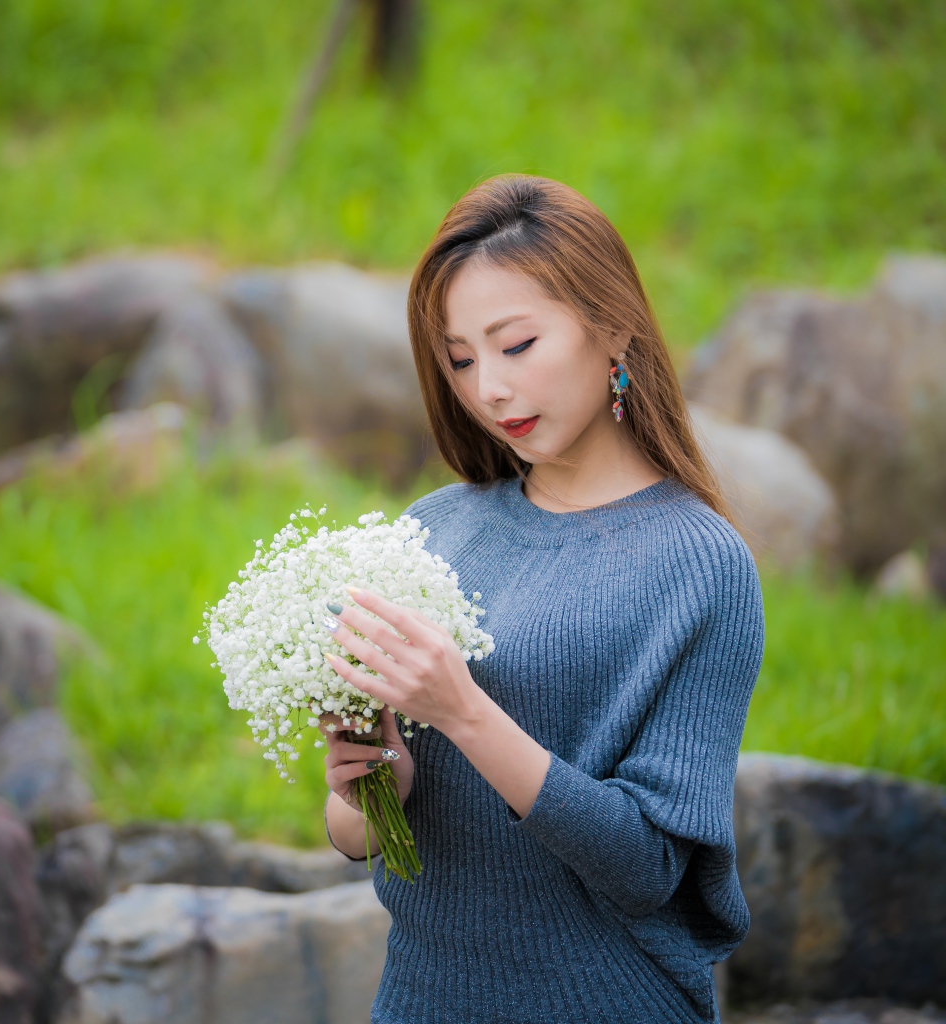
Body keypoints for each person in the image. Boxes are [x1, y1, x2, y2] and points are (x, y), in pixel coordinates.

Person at [320, 174, 765, 1024]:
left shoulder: (701, 565)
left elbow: (649, 869)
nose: (488, 388)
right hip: (422, 999)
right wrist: (367, 787)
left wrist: (463, 712)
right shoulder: (432, 530)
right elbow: (356, 841)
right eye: (460, 358)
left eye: (516, 345)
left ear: (614, 326)